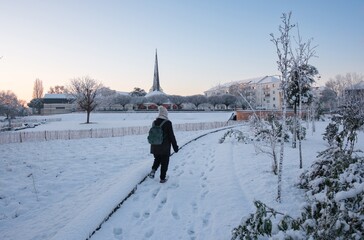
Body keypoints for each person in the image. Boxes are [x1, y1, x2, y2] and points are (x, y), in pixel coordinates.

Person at [149, 106, 179, 183]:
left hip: (155, 145)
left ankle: (153, 170)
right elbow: (171, 136)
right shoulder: (168, 123)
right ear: (165, 114)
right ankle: (162, 178)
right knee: (164, 162)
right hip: (165, 147)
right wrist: (175, 147)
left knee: (157, 159)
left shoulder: (154, 122)